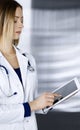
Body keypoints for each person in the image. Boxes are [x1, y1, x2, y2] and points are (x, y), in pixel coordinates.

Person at [0, 0, 60, 130]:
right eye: (15, 21)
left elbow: (30, 101)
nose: (21, 25)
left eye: (22, 20)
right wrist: (33, 105)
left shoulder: (28, 59)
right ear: (2, 21)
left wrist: (44, 103)